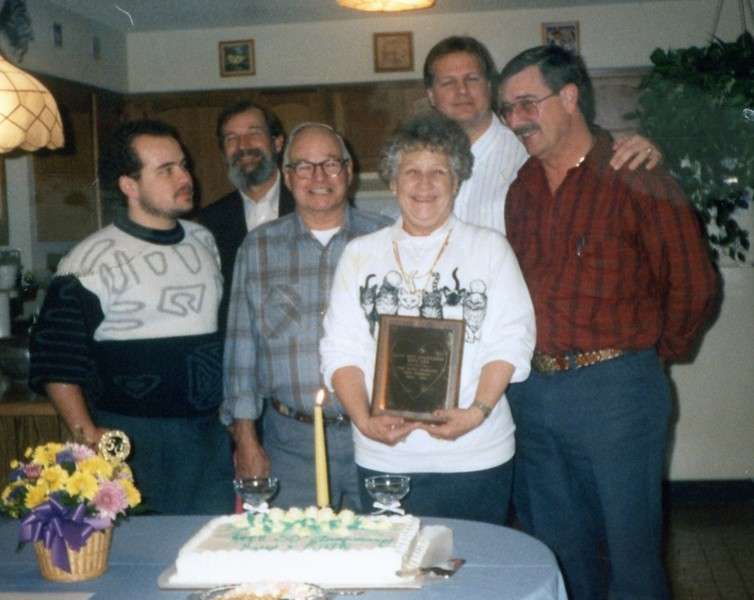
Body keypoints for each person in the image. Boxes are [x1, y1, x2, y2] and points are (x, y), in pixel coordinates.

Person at [497, 45, 718, 599]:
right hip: (534, 393)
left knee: (630, 558)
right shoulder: (521, 190)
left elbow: (693, 284)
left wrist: (646, 359)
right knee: (561, 553)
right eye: (508, 109)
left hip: (616, 392)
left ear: (570, 97)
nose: (516, 120)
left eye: (527, 103)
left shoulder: (636, 174)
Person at [320, 112, 536, 523]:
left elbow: (511, 340)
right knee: (396, 562)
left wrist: (477, 412)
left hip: (477, 453)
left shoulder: (490, 249)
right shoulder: (360, 254)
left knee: (476, 563)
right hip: (385, 456)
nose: (424, 184)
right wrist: (363, 419)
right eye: (411, 172)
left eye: (438, 172)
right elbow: (340, 348)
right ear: (393, 182)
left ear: (456, 182)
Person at [29, 119, 234, 514]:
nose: (185, 177)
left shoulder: (203, 241)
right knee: (141, 545)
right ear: (129, 185)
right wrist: (87, 433)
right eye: (166, 170)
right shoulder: (87, 261)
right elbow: (56, 361)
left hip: (208, 435)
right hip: (133, 438)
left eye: (183, 165)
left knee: (210, 539)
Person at [221, 122, 391, 510]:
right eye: (303, 166)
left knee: (385, 545)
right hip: (290, 446)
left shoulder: (386, 239)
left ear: (348, 170)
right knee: (293, 547)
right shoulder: (258, 248)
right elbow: (240, 353)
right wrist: (245, 440)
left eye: (330, 164)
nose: (318, 177)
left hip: (378, 439)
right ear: (287, 176)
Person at [423, 35, 662, 233]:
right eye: (448, 83)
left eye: (472, 79)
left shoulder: (528, 144)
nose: (462, 91)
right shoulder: (418, 157)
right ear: (431, 95)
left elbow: (580, 145)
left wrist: (647, 147)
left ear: (489, 86)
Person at [198, 101, 295, 331]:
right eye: (231, 138)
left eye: (254, 133)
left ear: (277, 143)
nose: (243, 146)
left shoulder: (308, 205)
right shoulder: (210, 221)